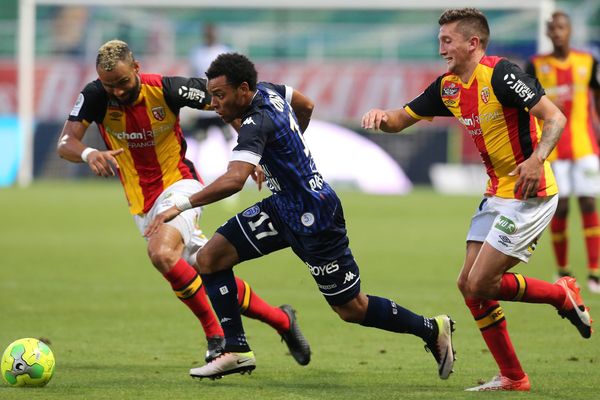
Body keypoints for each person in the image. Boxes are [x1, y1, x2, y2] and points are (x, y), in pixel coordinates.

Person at [145, 52, 456, 381]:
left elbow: (234, 179)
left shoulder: (255, 122)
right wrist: (284, 150)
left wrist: (181, 205)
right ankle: (235, 350)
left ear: (243, 90)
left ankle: (431, 329)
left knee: (351, 309)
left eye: (221, 96)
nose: (215, 105)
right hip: (282, 207)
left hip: (315, 216)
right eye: (213, 96)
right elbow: (306, 105)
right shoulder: (271, 90)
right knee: (210, 258)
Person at [361, 8, 592, 392]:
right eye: (439, 41)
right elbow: (399, 119)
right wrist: (379, 116)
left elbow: (555, 118)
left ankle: (561, 296)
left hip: (529, 192)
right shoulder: (448, 87)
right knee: (469, 285)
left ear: (473, 43)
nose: (441, 50)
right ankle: (514, 377)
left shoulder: (501, 75)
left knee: (483, 282)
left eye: (447, 41)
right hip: (496, 191)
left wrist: (537, 159)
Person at [56, 39, 311, 371]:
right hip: (142, 204)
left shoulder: (168, 89)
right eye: (109, 86)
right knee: (207, 267)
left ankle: (216, 338)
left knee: (162, 254)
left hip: (180, 186)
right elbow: (66, 142)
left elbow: (229, 106)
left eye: (123, 83)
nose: (117, 91)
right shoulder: (94, 96)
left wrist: (254, 153)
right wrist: (90, 154)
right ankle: (282, 320)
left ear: (137, 68)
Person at [525, 11, 600, 293]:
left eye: (561, 28)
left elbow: (597, 95)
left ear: (569, 31)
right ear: (547, 32)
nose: (557, 33)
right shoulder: (535, 65)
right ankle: (564, 269)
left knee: (589, 203)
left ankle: (594, 272)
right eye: (552, 29)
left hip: (584, 145)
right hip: (552, 148)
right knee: (562, 207)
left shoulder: (588, 61)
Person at [188, 24, 234, 141]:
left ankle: (231, 159)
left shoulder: (224, 52)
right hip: (203, 103)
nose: (210, 35)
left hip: (221, 104)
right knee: (199, 139)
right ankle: (198, 159)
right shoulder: (197, 52)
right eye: (207, 33)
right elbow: (193, 77)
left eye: (212, 32)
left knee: (228, 138)